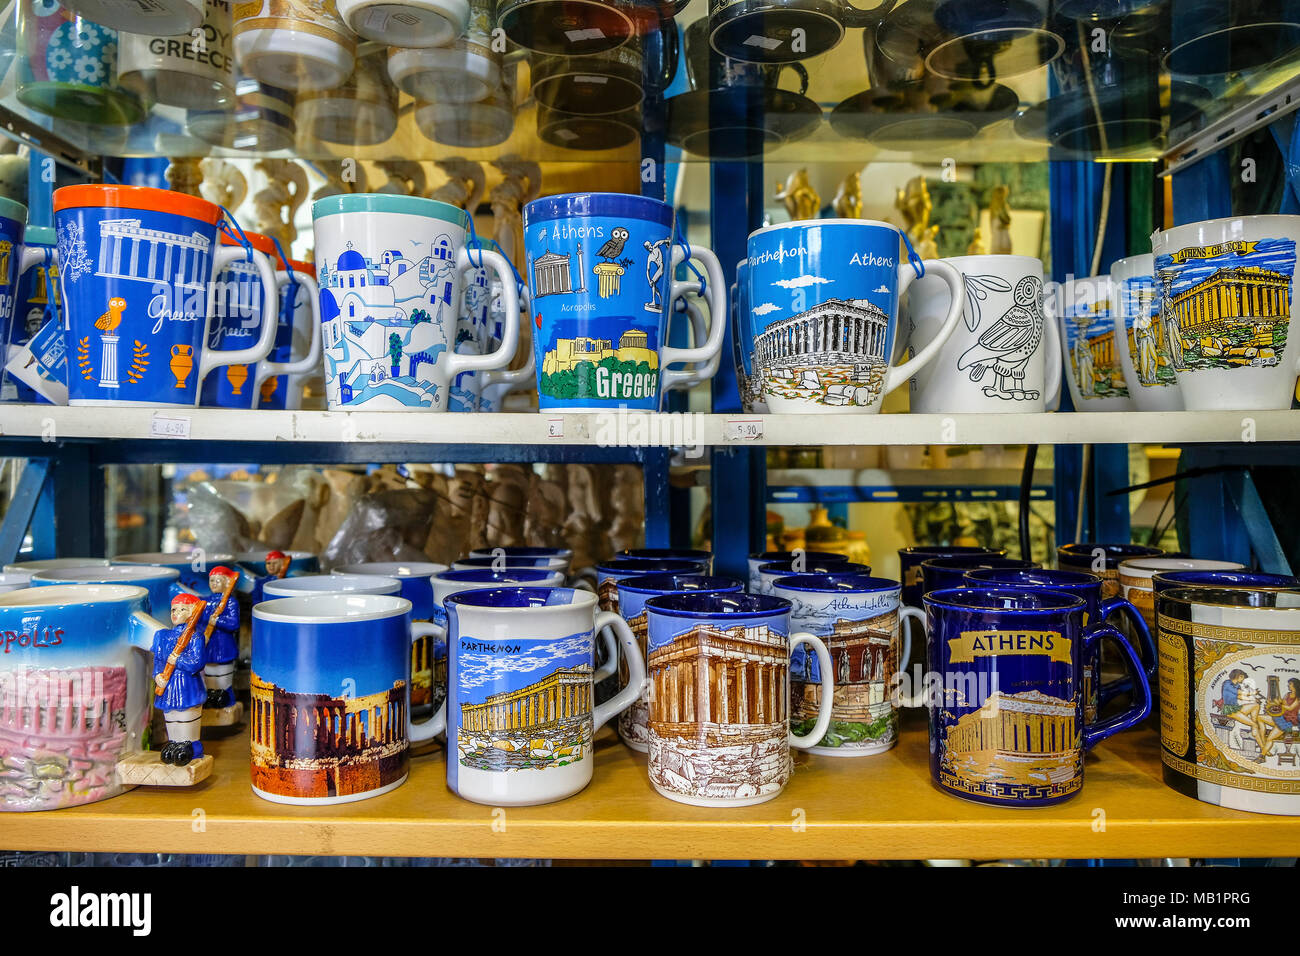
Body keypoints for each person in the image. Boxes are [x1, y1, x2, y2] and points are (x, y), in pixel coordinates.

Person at [152, 594, 207, 766]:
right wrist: (157, 676)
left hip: (186, 684)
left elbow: (196, 663)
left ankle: (189, 744)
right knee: (171, 714)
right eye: (174, 609)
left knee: (185, 714)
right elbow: (158, 661)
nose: (176, 613)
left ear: (191, 613)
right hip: (168, 684)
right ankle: (174, 742)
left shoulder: (196, 637)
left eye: (182, 609)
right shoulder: (161, 635)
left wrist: (178, 660)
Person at [201, 566, 240, 709]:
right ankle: (211, 700)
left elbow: (233, 623)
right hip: (209, 644)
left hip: (224, 645)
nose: (214, 584)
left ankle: (227, 702)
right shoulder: (206, 602)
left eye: (218, 580)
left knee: (223, 677)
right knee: (209, 676)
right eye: (212, 581)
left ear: (226, 583)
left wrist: (217, 621)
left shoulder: (230, 602)